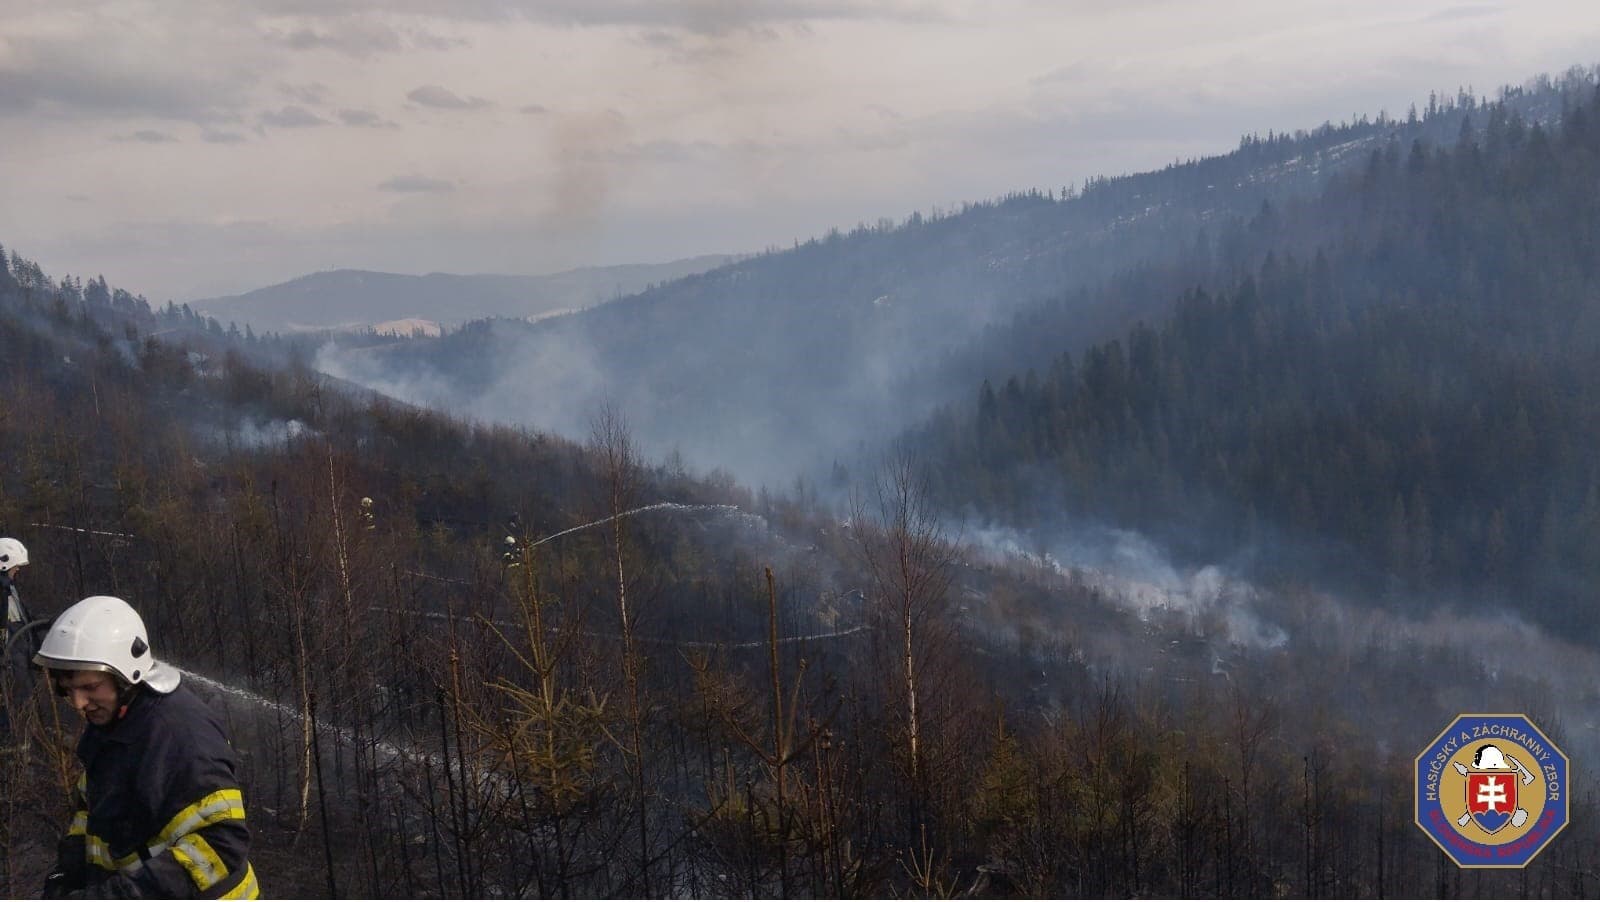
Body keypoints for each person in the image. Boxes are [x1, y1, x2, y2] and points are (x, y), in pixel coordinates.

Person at [34, 595, 259, 899]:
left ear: (126, 676)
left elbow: (221, 847)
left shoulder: (181, 737)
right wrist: (69, 870)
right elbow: (93, 806)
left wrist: (120, 895)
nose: (78, 703)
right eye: (68, 689)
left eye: (89, 687)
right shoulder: (115, 722)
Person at [1, 536, 36, 739]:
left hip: (19, 657)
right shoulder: (3, 592)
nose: (18, 569)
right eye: (16, 565)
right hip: (11, 662)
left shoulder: (9, 590)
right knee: (18, 705)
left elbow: (22, 620)